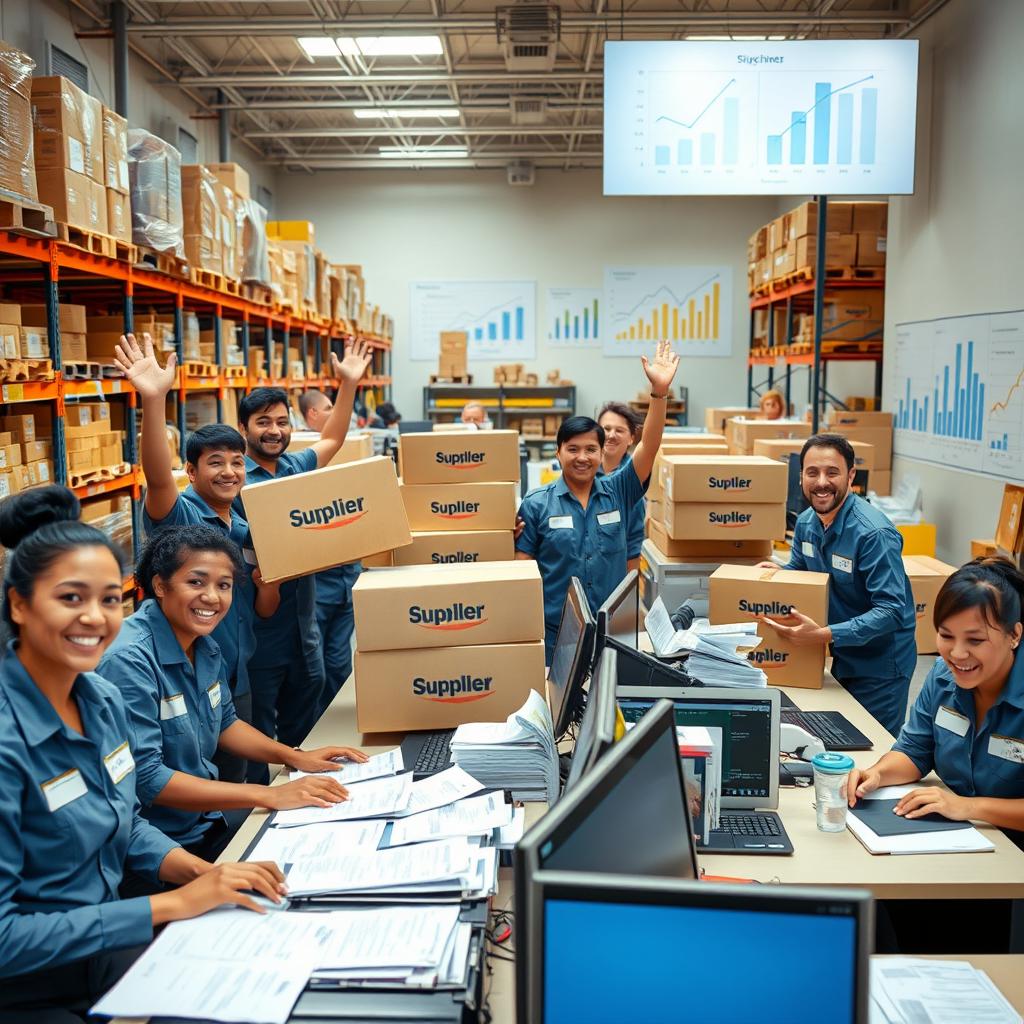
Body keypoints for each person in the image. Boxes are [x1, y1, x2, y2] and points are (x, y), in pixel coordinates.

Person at [0, 487, 287, 1022]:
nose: (95, 617)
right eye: (70, 598)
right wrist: (169, 904)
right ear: (20, 603)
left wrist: (203, 874)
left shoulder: (99, 700)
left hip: (104, 951)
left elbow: (124, 819)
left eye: (109, 599)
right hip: (31, 988)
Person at [98, 526, 367, 869]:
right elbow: (148, 778)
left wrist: (296, 756)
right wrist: (267, 793)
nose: (212, 597)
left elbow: (225, 723)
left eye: (223, 585)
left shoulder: (204, 645)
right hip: (158, 848)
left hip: (203, 822)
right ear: (160, 586)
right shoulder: (128, 661)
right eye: (196, 582)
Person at [850, 557, 1024, 954]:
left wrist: (968, 806)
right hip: (958, 848)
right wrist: (876, 774)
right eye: (946, 636)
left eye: (975, 640)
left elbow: (965, 806)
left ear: (1015, 634)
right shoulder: (944, 678)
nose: (957, 653)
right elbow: (915, 749)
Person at [115, 332, 263, 784]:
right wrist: (154, 400)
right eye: (215, 463)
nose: (229, 472)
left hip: (230, 673)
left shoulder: (243, 522)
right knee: (199, 785)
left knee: (239, 780)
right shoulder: (180, 514)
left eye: (237, 462)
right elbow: (158, 476)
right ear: (192, 471)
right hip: (181, 675)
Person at [233, 339, 371, 773]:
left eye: (281, 421)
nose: (274, 430)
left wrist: (347, 384)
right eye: (262, 423)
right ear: (244, 429)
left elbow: (333, 436)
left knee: (305, 731)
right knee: (256, 734)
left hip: (303, 628)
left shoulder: (296, 468)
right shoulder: (235, 479)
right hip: (259, 634)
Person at [516, 341, 680, 662]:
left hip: (612, 633)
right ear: (558, 452)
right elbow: (522, 578)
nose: (582, 457)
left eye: (591, 449)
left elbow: (650, 445)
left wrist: (658, 393)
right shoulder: (536, 504)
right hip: (555, 637)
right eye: (573, 449)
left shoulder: (619, 491)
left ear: (600, 452)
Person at [760, 433, 916, 734]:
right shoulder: (806, 522)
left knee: (873, 745)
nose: (821, 482)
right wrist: (779, 574)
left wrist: (825, 634)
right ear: (801, 476)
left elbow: (892, 610)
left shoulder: (873, 534)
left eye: (832, 472)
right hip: (840, 653)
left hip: (880, 664)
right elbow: (804, 570)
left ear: (851, 475)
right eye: (812, 472)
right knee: (839, 735)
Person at [597, 401, 646, 572]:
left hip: (618, 570)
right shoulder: (584, 473)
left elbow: (634, 542)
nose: (611, 435)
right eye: (606, 428)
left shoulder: (633, 479)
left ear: (631, 438)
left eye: (619, 430)